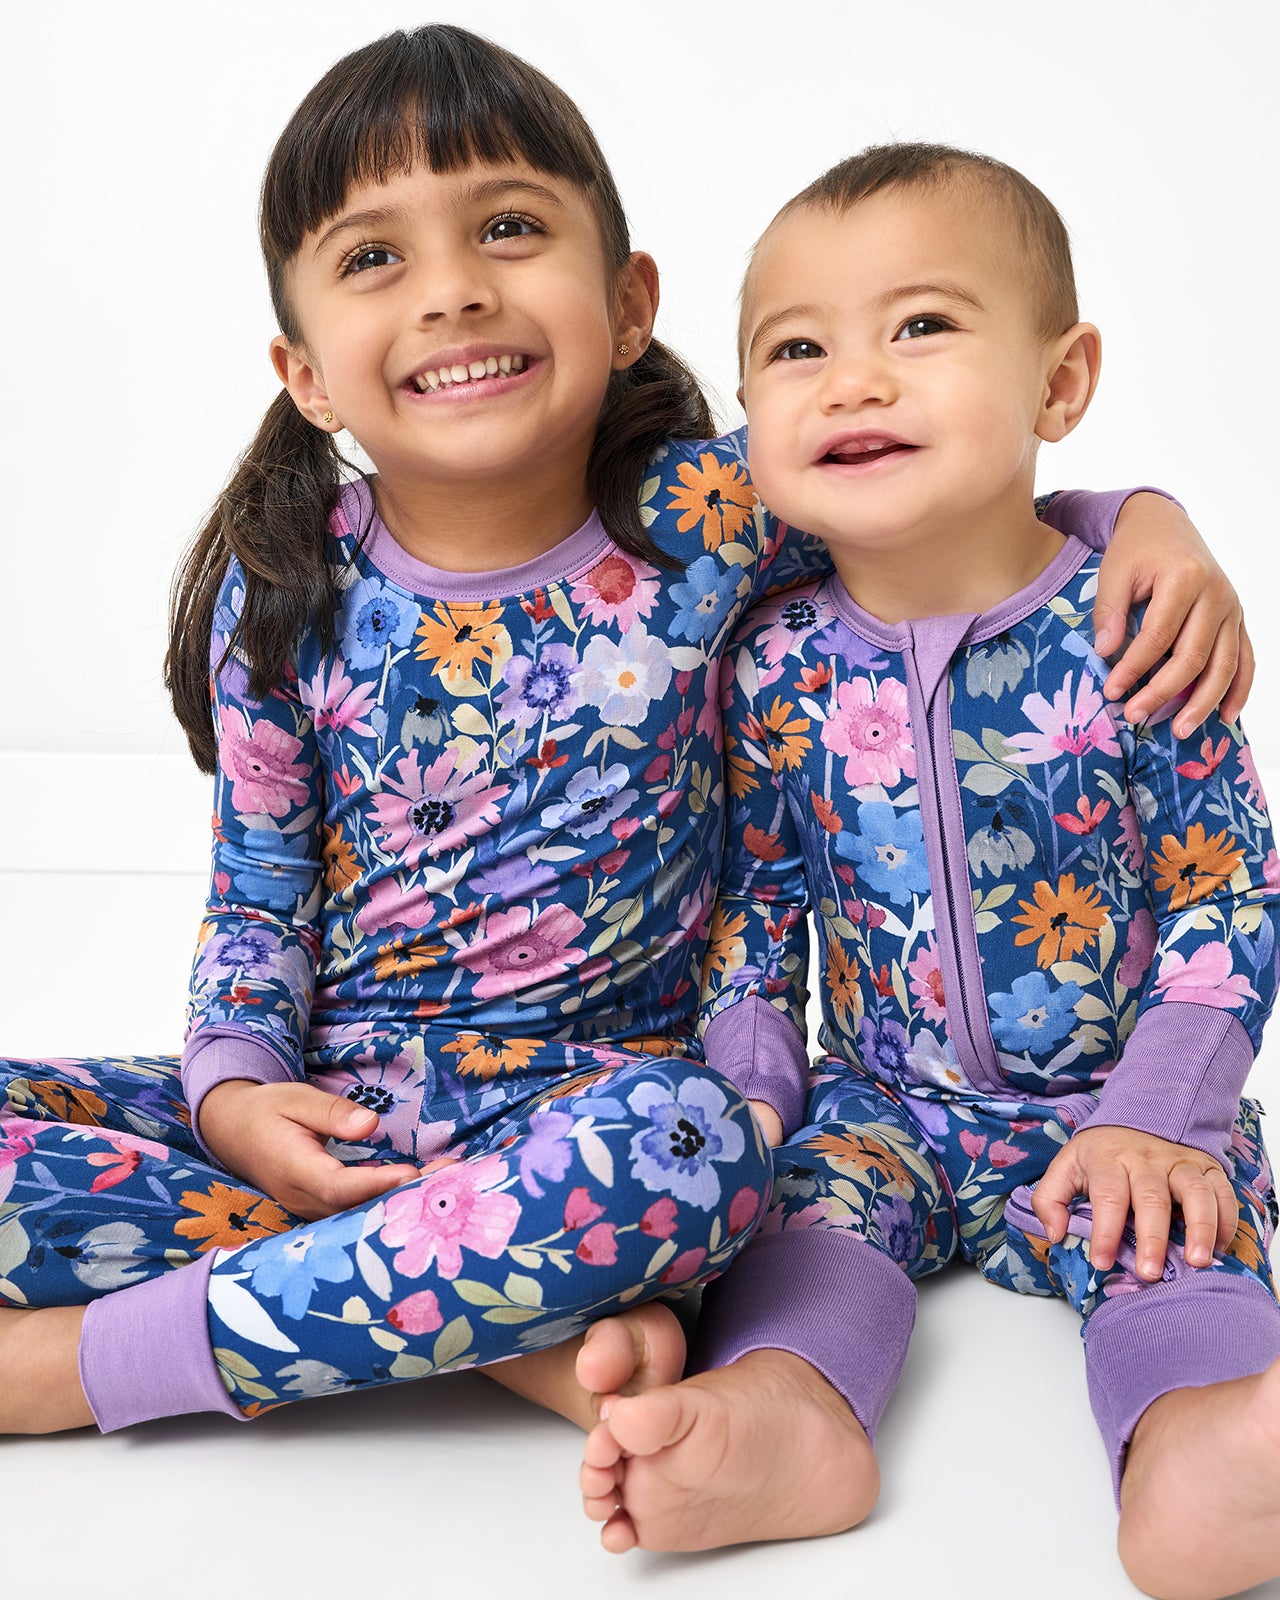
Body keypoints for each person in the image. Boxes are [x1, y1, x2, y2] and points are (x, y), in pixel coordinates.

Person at [0, 33, 1246, 1454]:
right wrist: (229, 1098)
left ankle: (97, 1366)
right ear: (307, 374)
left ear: (630, 300)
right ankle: (489, 1328)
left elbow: (955, 515)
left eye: (511, 229)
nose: (456, 288)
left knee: (706, 1152)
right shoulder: (283, 587)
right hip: (326, 1133)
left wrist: (1141, 518)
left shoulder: (711, 520)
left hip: (598, 1130)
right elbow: (256, 898)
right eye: (372, 259)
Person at [578, 143, 1280, 1600]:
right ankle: (789, 1422)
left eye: (922, 325)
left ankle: (1206, 1454)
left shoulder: (1133, 625)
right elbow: (756, 928)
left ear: (1061, 384)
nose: (853, 380)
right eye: (795, 348)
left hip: (1126, 1104)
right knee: (810, 1222)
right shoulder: (769, 664)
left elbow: (1229, 898)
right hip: (882, 1102)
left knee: (1175, 1245)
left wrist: (1162, 1118)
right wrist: (753, 1106)